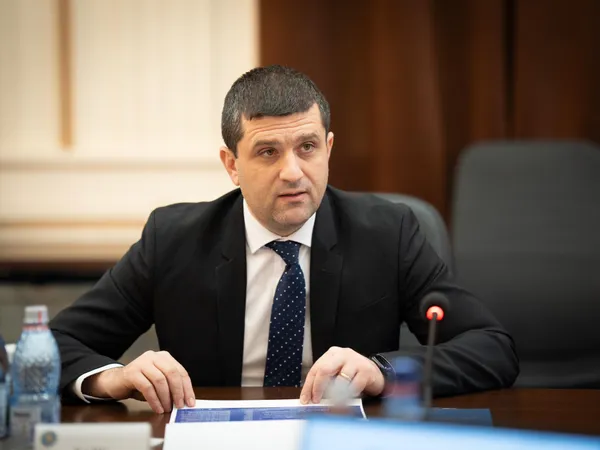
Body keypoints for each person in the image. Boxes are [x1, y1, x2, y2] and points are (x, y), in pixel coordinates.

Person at [49, 65, 519, 414]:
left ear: (328, 149)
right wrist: (112, 378)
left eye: (307, 147)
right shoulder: (173, 239)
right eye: (268, 152)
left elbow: (491, 347)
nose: (293, 172)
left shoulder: (387, 232)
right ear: (232, 165)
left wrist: (381, 371)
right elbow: (53, 345)